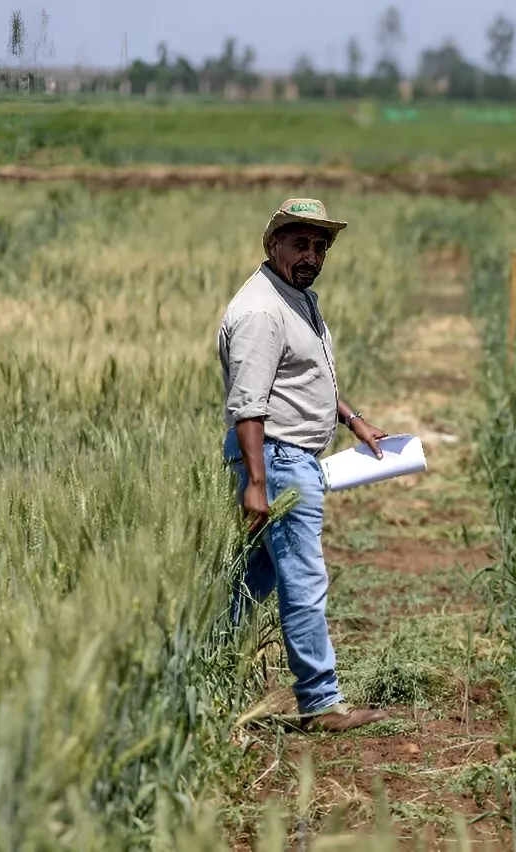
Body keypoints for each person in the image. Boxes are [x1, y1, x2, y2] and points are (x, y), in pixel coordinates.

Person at [217, 198, 390, 733]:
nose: (311, 254)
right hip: (277, 461)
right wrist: (258, 486)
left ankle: (205, 671)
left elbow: (300, 380)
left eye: (319, 246)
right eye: (300, 243)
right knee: (304, 582)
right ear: (273, 246)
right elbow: (249, 403)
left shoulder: (294, 298)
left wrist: (352, 419)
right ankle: (320, 702)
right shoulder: (262, 311)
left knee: (252, 582)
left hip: (291, 461)